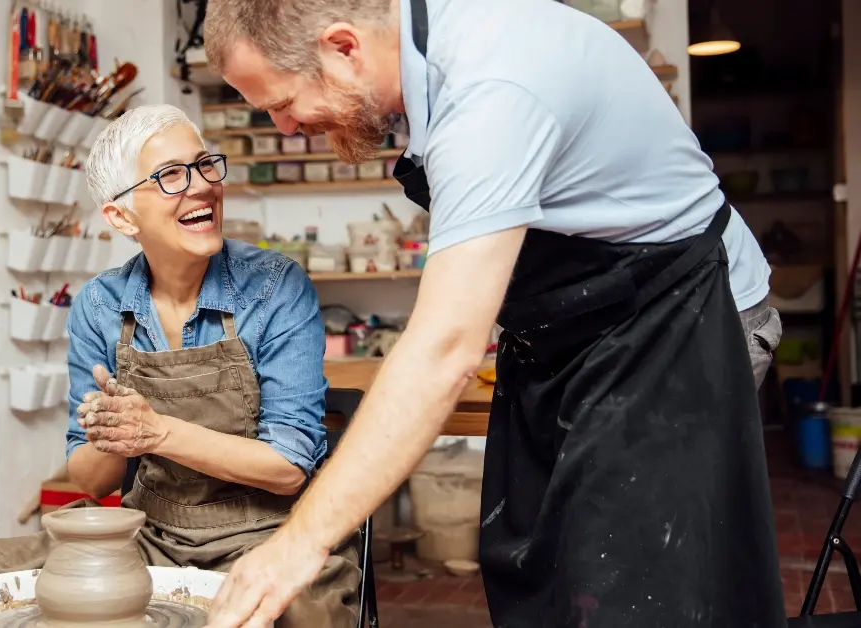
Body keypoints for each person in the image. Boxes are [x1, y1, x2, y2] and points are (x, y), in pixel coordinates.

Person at [200, 0, 786, 626]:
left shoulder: (493, 87)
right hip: (577, 333)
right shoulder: (432, 61)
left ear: (344, 47)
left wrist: (298, 544)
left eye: (283, 103)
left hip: (680, 324)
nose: (286, 127)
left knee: (630, 591)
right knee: (546, 579)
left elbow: (445, 351)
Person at [0, 104, 361, 627]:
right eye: (170, 176)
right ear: (121, 217)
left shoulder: (275, 286)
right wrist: (107, 431)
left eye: (206, 165)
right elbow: (91, 480)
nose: (202, 186)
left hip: (268, 538)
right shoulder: (100, 304)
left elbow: (287, 469)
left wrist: (156, 432)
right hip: (149, 538)